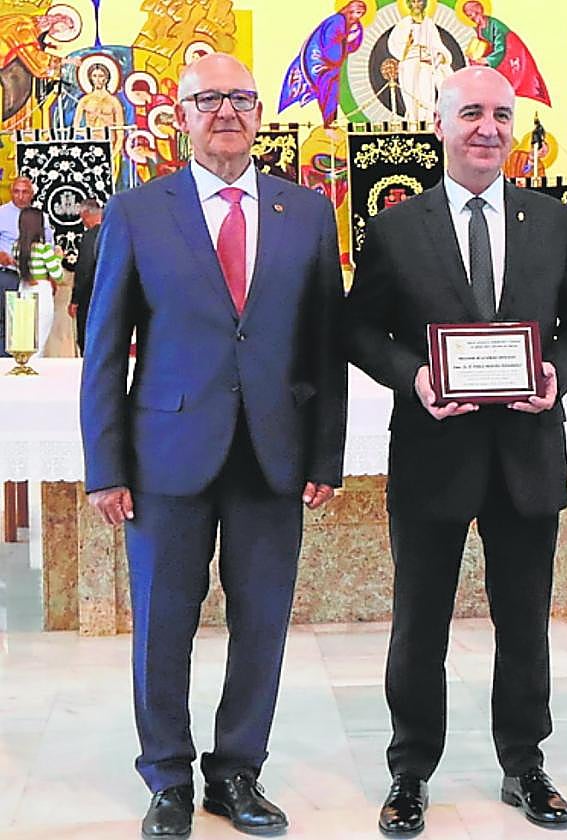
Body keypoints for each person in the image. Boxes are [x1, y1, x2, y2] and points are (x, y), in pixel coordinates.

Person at [80, 53, 347, 839]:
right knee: (164, 620)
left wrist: (325, 456)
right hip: (166, 452)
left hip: (274, 452)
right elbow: (105, 349)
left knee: (262, 620)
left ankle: (236, 773)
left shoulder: (306, 212)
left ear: (259, 112)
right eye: (207, 100)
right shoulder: (138, 211)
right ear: (182, 114)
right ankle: (166, 776)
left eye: (239, 98)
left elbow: (323, 344)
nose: (224, 111)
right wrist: (105, 466)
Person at [342, 66, 567, 837]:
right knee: (418, 623)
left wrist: (557, 371)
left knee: (525, 621)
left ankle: (524, 762)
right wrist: (415, 375)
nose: (487, 128)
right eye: (471, 114)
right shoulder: (395, 226)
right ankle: (411, 769)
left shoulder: (551, 220)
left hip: (527, 453)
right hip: (433, 452)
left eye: (500, 114)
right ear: (439, 124)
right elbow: (361, 329)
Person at [0, 176, 53, 356]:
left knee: (27, 327)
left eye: (25, 192)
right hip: (7, 276)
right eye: (16, 191)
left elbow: (49, 247)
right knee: (6, 324)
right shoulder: (1, 214)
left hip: (34, 280)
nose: (20, 196)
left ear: (32, 194)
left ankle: (23, 364)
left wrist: (50, 277)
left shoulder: (40, 217)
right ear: (10, 192)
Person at [388, 0, 453, 123]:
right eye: (413, 1)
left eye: (419, 1)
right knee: (411, 96)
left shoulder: (429, 25)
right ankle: (413, 122)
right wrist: (407, 43)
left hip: (426, 64)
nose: (417, 4)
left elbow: (438, 47)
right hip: (409, 64)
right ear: (409, 4)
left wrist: (437, 57)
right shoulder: (403, 25)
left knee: (426, 95)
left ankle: (427, 123)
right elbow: (394, 46)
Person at [13, 206, 60, 357]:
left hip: (24, 289)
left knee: (25, 337)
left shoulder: (17, 247)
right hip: (42, 290)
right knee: (39, 338)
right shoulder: (43, 249)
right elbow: (58, 274)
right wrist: (58, 257)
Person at [69, 198, 102, 354]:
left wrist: (75, 300)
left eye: (83, 219)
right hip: (113, 294)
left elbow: (84, 270)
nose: (84, 223)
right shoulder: (115, 232)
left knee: (87, 342)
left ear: (87, 214)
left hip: (90, 297)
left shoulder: (90, 236)